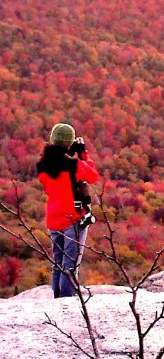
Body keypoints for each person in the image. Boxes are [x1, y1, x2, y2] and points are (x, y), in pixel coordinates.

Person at [36, 123, 99, 298]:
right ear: (69, 143)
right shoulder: (73, 165)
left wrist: (69, 153)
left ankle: (57, 299)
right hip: (73, 218)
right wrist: (83, 153)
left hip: (53, 219)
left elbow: (58, 171)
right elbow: (93, 175)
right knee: (70, 266)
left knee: (58, 263)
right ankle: (65, 303)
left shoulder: (42, 165)